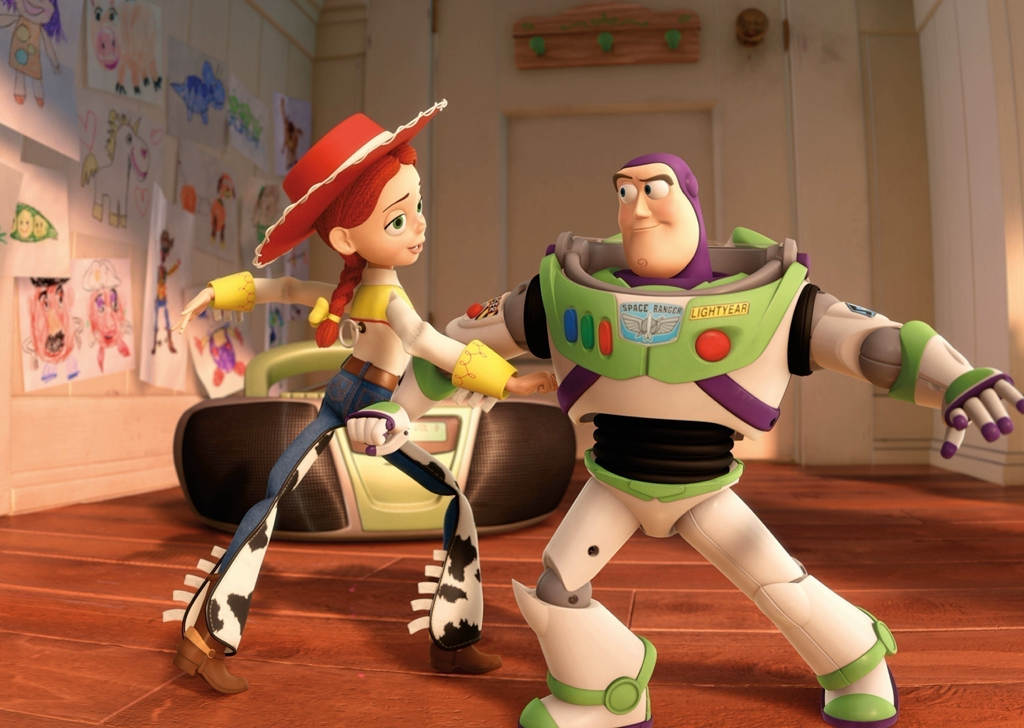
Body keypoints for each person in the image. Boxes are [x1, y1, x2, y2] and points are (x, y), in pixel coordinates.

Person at [359, 152, 1024, 727]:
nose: (638, 207)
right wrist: (396, 410)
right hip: (614, 481)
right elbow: (453, 348)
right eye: (624, 192)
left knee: (779, 586)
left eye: (655, 189)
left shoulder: (775, 298)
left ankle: (858, 666)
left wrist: (955, 377)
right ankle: (606, 694)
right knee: (559, 587)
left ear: (689, 201)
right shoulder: (561, 293)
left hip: (703, 486)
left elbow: (872, 344)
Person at [169, 100, 555, 694]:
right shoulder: (386, 298)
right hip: (367, 406)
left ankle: (451, 642)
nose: (419, 226)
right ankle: (207, 639)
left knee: (277, 498)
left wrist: (214, 292)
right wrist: (510, 381)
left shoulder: (354, 292)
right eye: (399, 219)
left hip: (349, 397)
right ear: (348, 236)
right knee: (439, 501)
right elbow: (427, 343)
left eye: (417, 207)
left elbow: (288, 287)